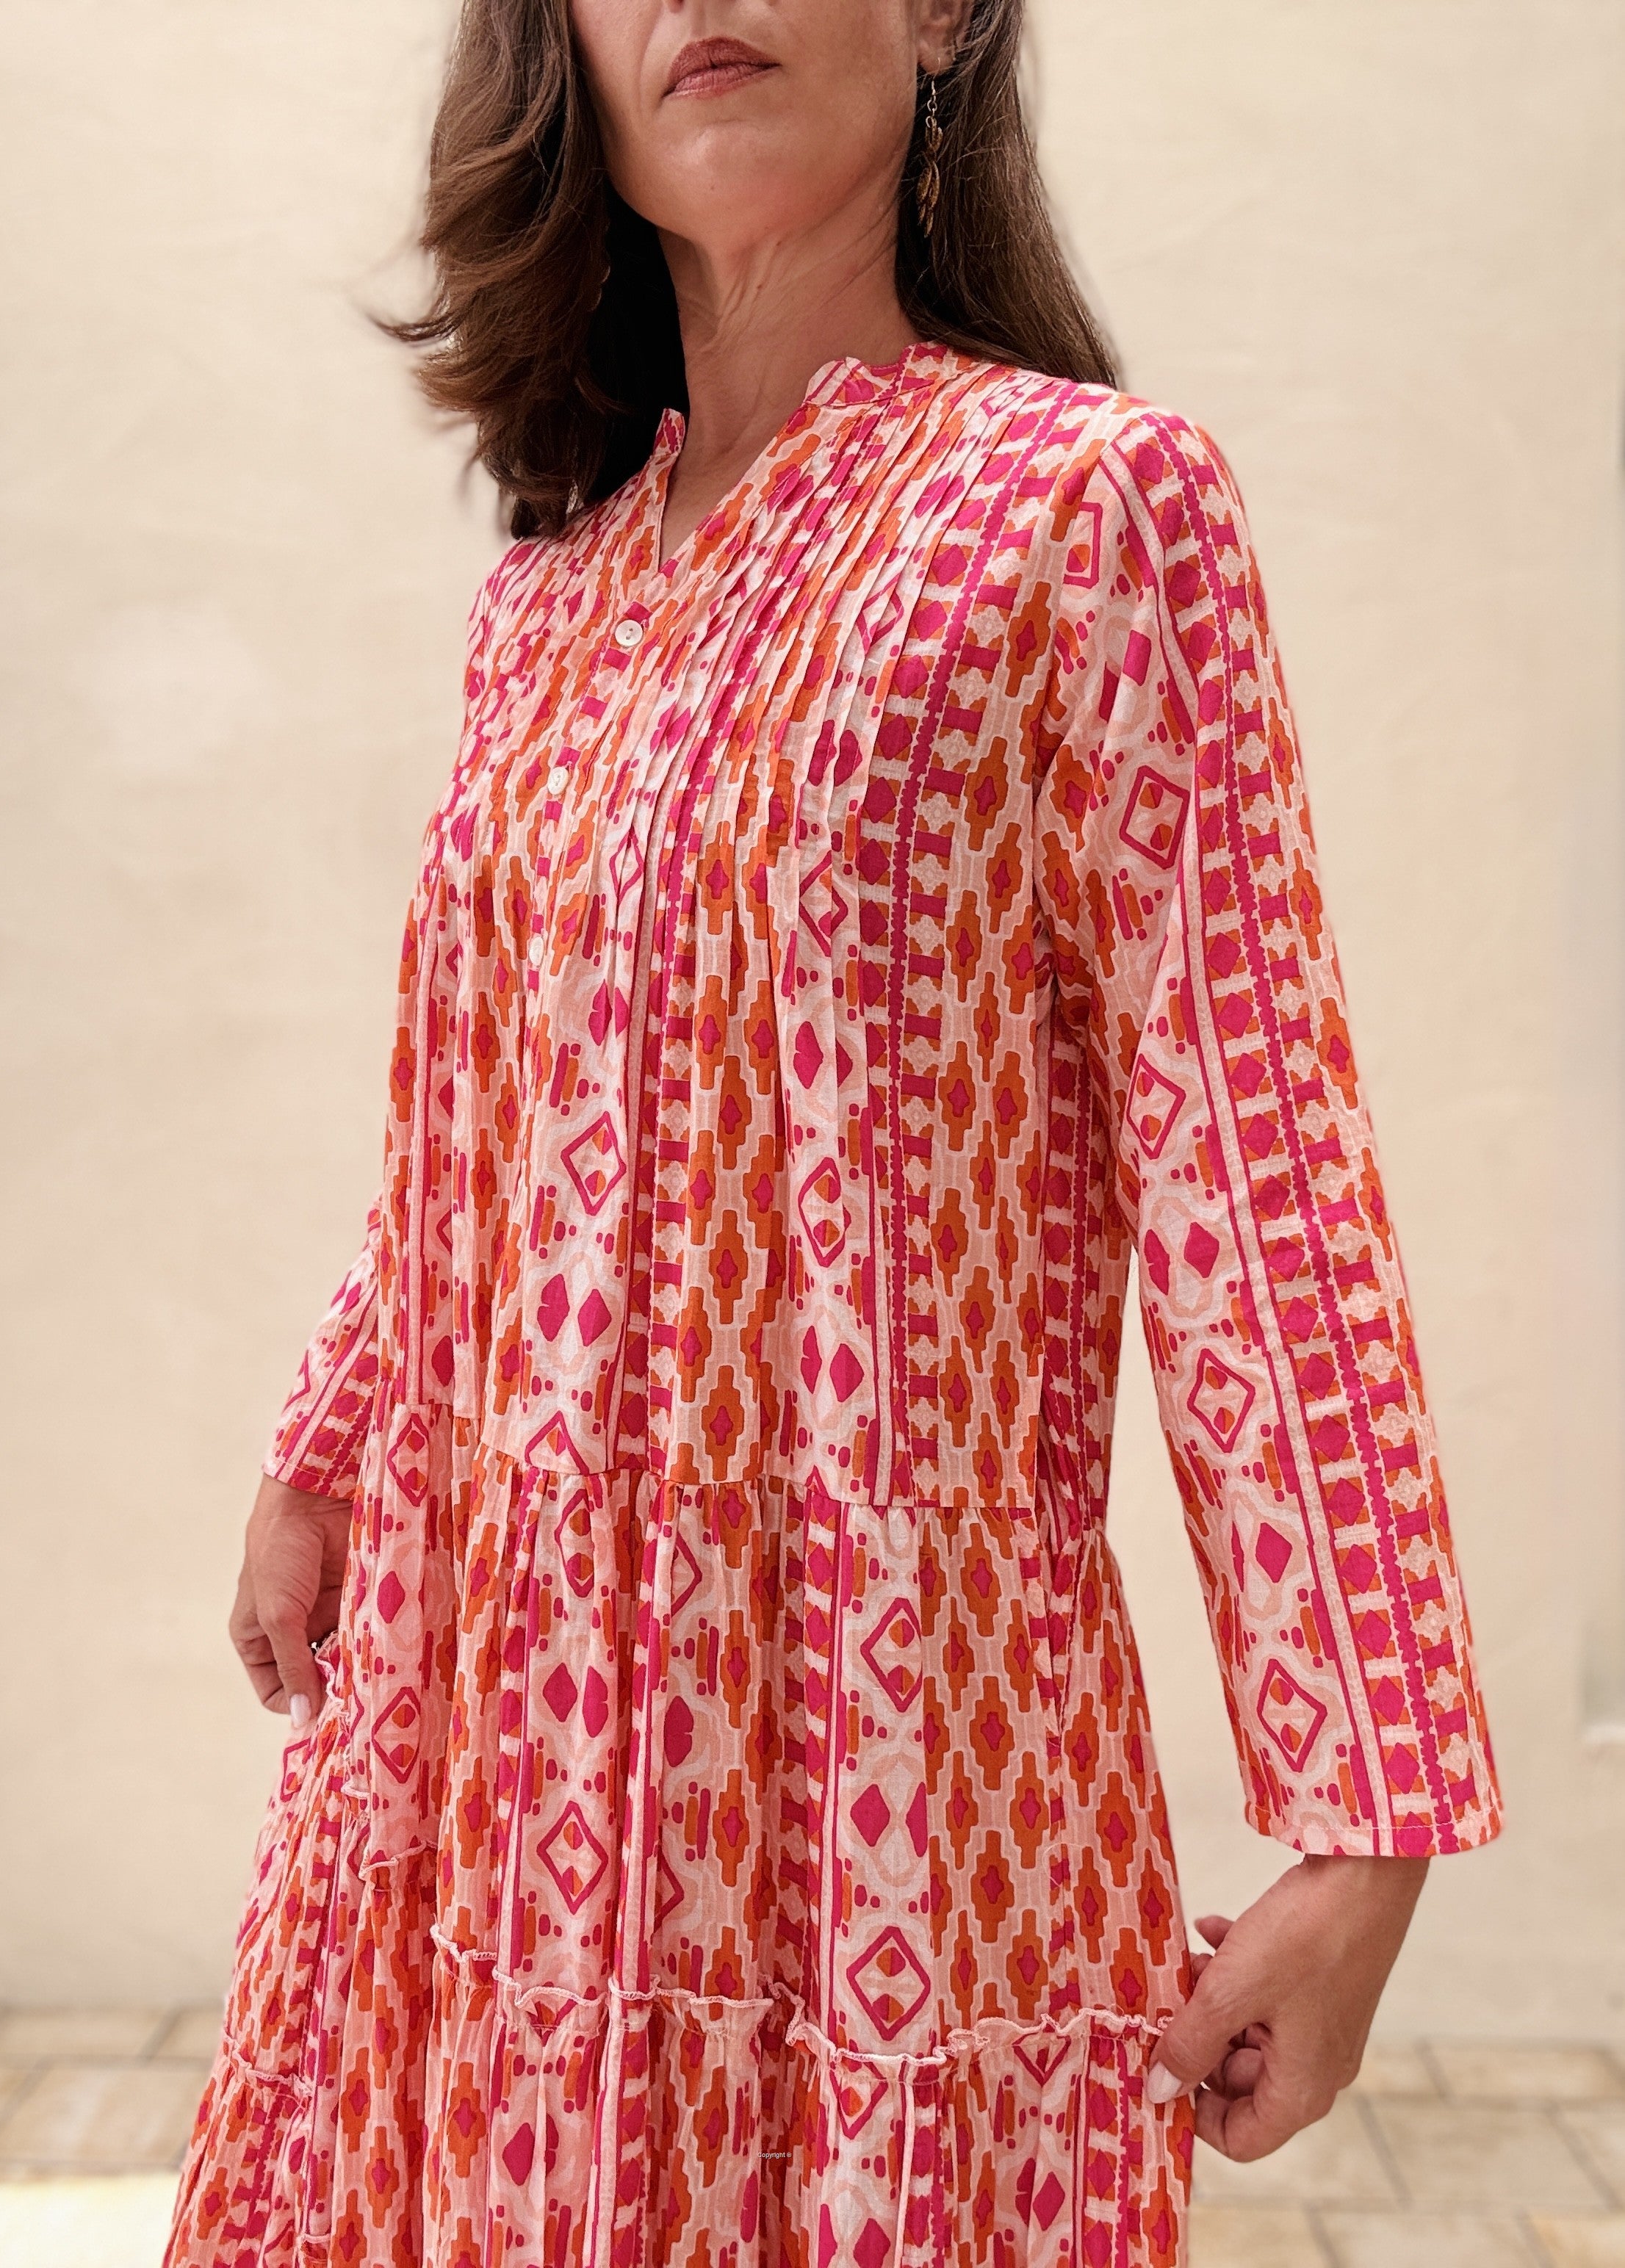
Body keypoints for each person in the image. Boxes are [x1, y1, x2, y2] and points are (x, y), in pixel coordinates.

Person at [164, 2, 1505, 2263]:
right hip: (492, 1733)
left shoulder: (1085, 506)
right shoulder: (552, 598)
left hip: (882, 1764)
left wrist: (1366, 1823)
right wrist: (335, 1430)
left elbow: (1250, 1165)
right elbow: (485, 1109)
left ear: (946, 10)